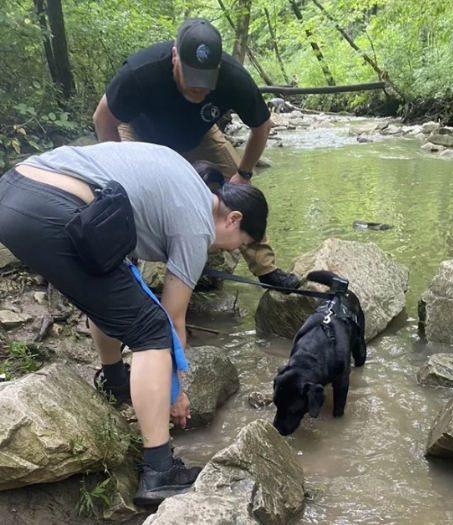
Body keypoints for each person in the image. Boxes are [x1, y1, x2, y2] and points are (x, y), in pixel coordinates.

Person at [0, 141, 268, 506]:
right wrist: (176, 391)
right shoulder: (197, 225)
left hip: (14, 191)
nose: (230, 250)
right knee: (151, 330)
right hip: (54, 208)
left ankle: (115, 383)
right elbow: (171, 318)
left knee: (115, 297)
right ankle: (159, 471)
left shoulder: (183, 181)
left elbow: (121, 278)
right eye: (240, 243)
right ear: (233, 219)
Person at [92, 18, 298, 289]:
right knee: (127, 197)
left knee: (240, 198)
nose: (199, 87)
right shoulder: (141, 71)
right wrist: (120, 171)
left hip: (199, 134)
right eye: (191, 78)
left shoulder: (234, 79)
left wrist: (244, 174)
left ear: (218, 68)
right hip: (140, 134)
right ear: (174, 57)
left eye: (206, 80)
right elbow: (103, 118)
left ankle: (266, 268)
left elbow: (261, 126)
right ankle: (125, 266)